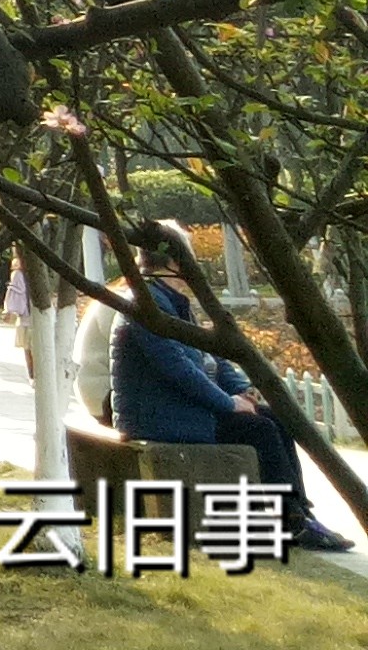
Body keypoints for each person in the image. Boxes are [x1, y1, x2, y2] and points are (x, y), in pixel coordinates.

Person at [117, 234, 355, 552]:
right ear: (173, 262)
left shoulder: (173, 303)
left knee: (276, 418)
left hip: (186, 410)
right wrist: (228, 403)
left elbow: (212, 358)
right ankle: (291, 520)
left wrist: (243, 390)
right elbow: (179, 371)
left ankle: (299, 512)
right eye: (187, 258)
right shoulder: (145, 304)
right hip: (160, 416)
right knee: (261, 429)